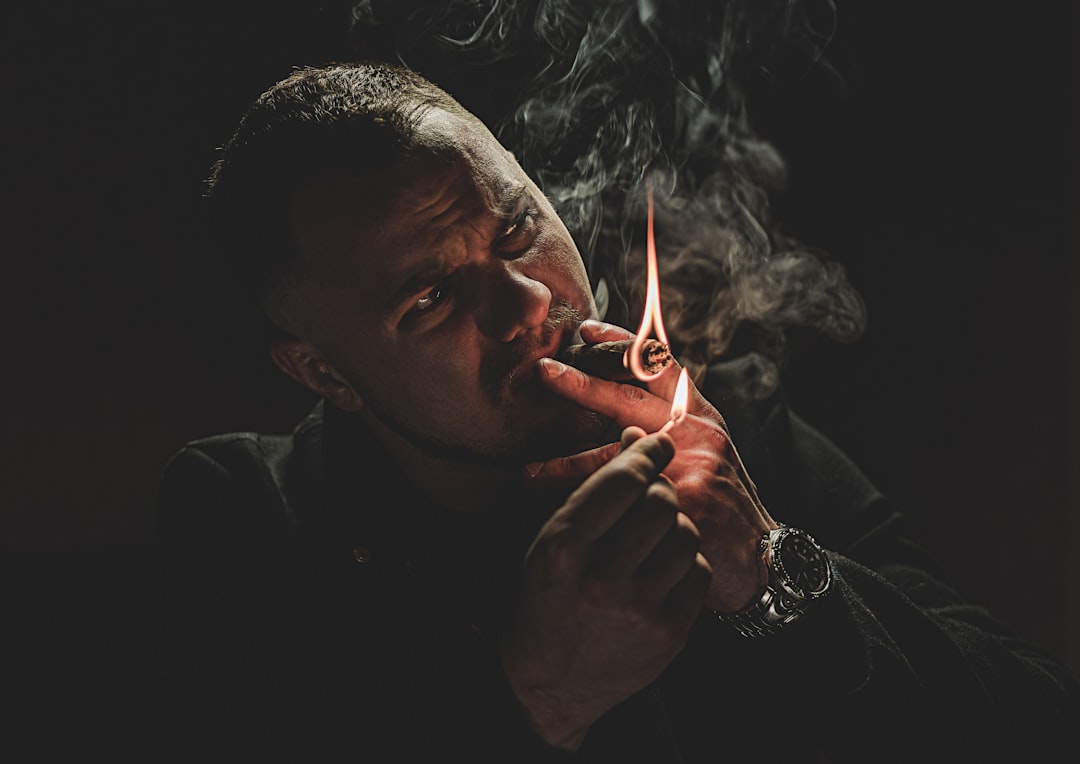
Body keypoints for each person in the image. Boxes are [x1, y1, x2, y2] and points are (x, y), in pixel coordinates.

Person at [155, 61, 1079, 762]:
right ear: (325, 372)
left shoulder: (721, 429)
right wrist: (537, 696)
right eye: (430, 298)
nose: (526, 304)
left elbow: (1036, 725)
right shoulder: (248, 518)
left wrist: (769, 576)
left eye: (518, 229)